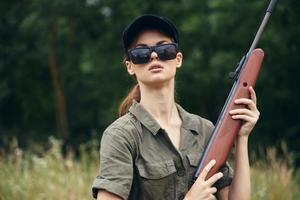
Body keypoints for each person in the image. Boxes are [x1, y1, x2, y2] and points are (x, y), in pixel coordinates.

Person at [92, 14, 260, 200]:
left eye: (164, 49)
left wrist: (242, 137)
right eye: (141, 53)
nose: (154, 55)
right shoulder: (121, 136)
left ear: (178, 59)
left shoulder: (204, 129)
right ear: (130, 66)